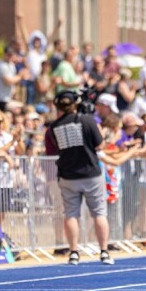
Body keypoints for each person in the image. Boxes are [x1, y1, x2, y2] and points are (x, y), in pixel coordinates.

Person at [44, 89, 114, 265]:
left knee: (71, 214)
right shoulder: (87, 120)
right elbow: (100, 145)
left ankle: (74, 252)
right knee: (99, 213)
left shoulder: (54, 127)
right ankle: (104, 251)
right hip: (90, 173)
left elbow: (55, 149)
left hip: (68, 174)